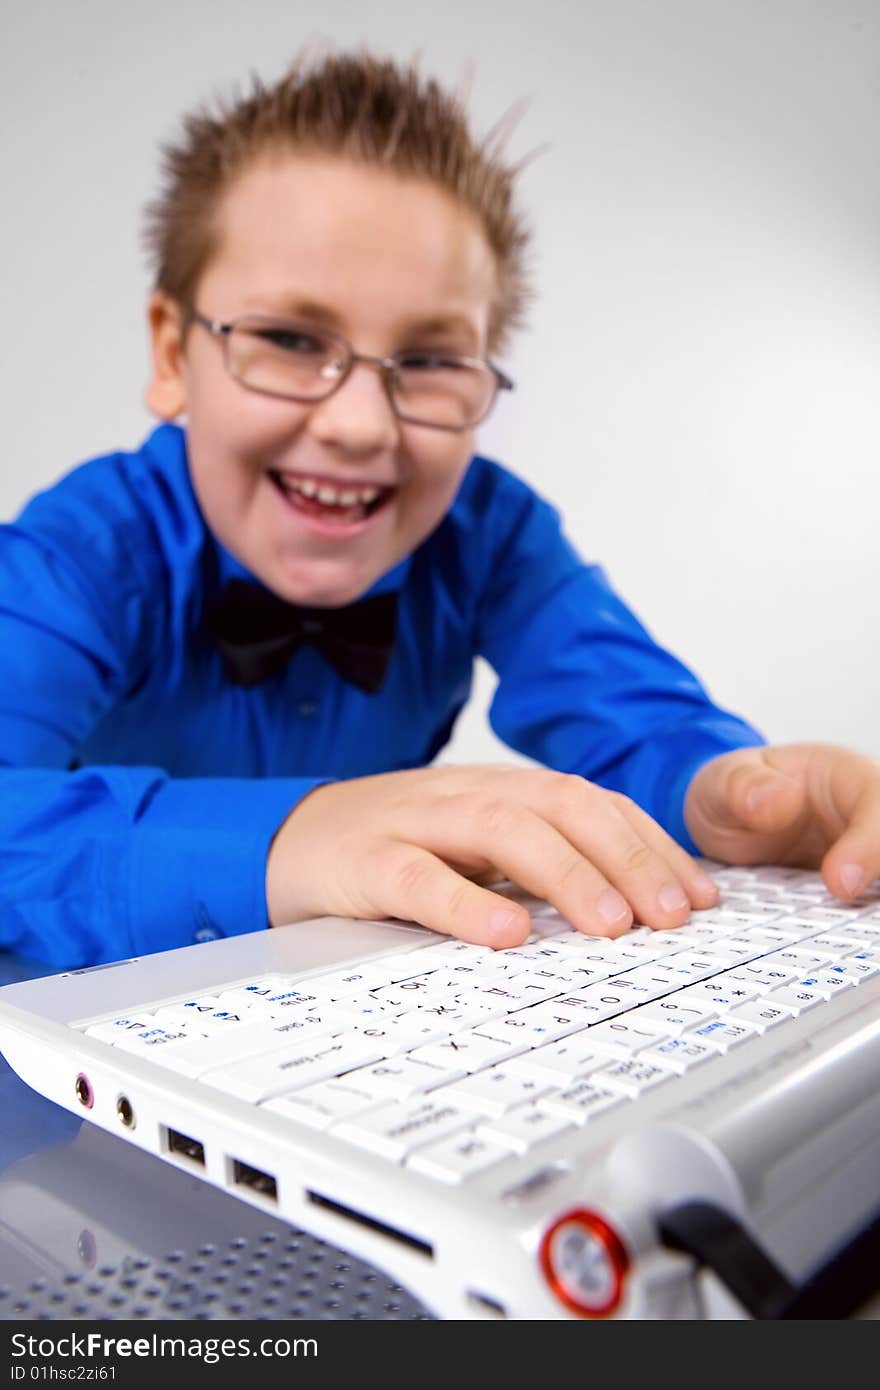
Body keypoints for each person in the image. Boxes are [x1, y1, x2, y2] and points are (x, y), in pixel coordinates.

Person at [1, 49, 877, 971]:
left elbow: (637, 719)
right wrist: (292, 837)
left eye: (426, 362)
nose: (357, 425)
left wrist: (730, 793)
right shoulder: (84, 552)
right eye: (292, 340)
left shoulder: (491, 534)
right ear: (173, 355)